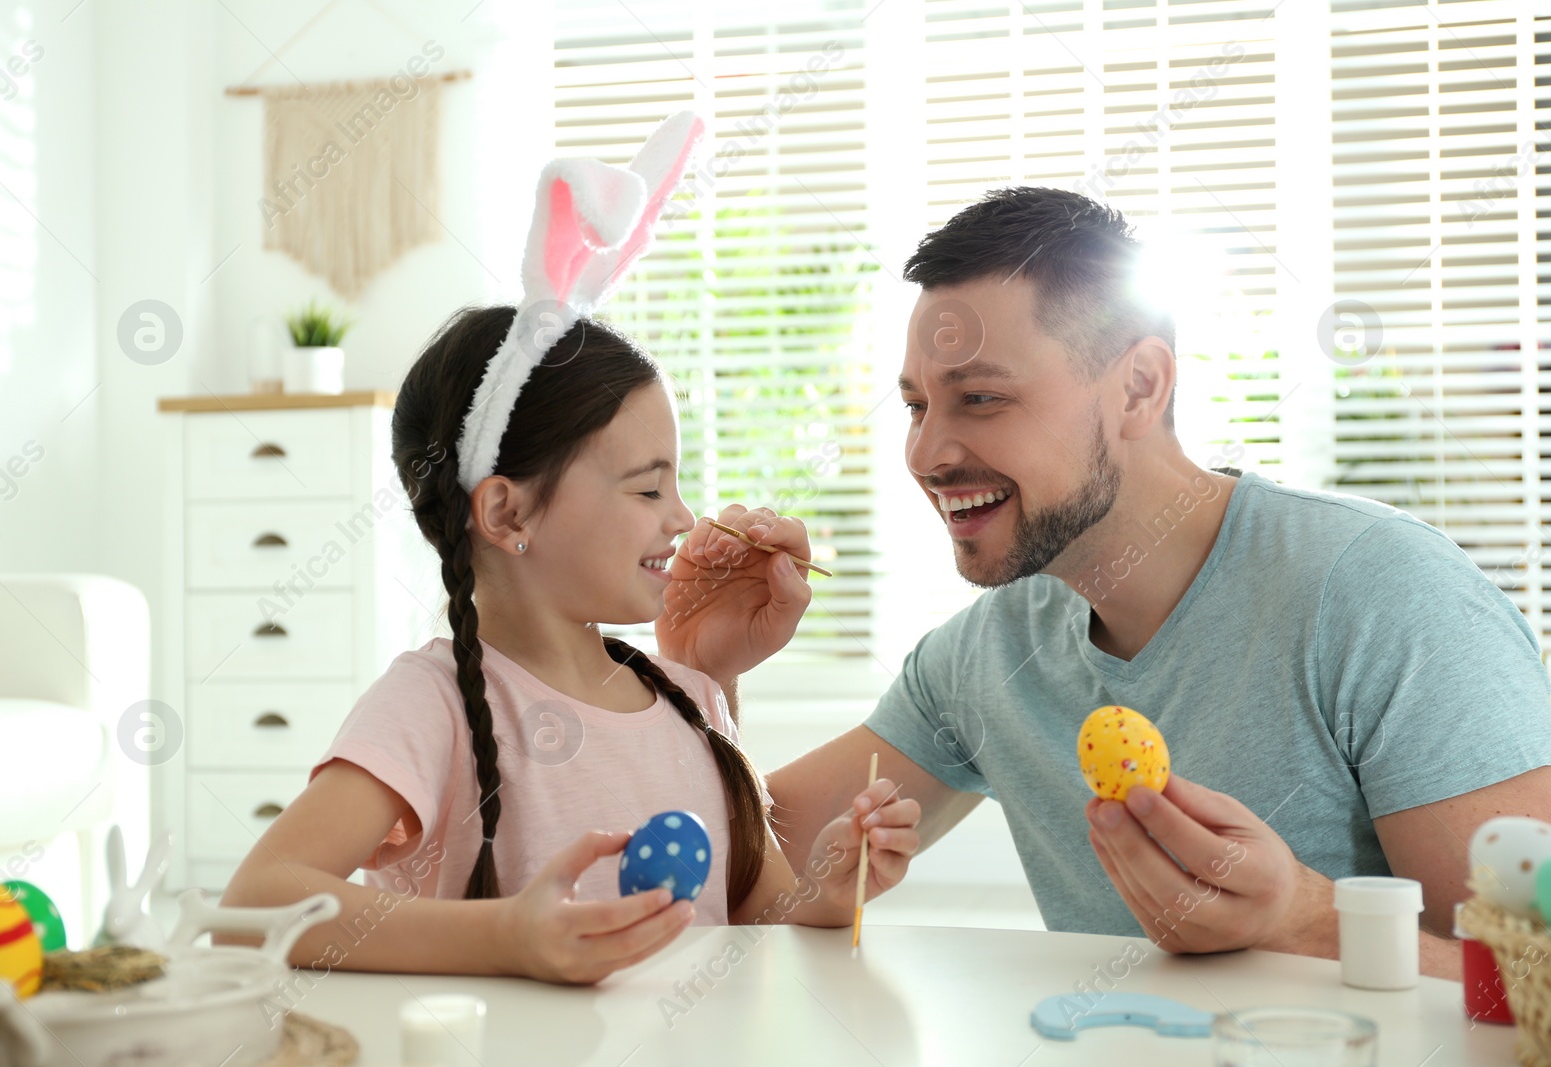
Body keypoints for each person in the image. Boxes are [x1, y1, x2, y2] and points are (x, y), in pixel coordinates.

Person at [655, 186, 1551, 980]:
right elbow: (742, 888)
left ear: (1139, 386)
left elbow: (1533, 974)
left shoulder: (1383, 599)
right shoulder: (988, 655)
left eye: (981, 398)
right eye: (919, 405)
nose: (927, 453)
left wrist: (1306, 920)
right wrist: (705, 678)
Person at [221, 116, 919, 985]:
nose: (683, 517)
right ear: (508, 512)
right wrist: (507, 937)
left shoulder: (691, 696)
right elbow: (254, 905)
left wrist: (831, 882)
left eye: (678, 483)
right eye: (646, 486)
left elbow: (754, 913)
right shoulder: (429, 703)